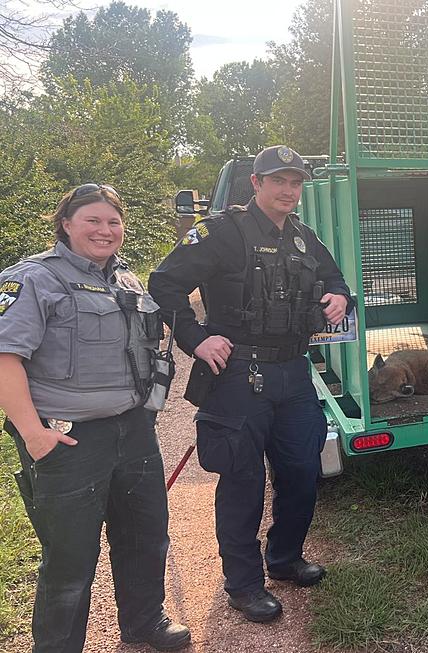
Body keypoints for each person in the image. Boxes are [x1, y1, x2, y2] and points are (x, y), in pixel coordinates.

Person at [148, 145, 352, 622]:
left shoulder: (302, 236)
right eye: (277, 180)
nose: (288, 190)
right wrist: (197, 340)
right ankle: (243, 584)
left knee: (303, 472)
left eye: (295, 182)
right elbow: (164, 284)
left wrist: (339, 297)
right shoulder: (222, 232)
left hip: (294, 372)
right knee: (243, 481)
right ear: (256, 184)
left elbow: (335, 279)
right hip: (238, 375)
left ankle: (284, 559)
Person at [0, 184, 190, 652]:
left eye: (113, 222)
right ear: (66, 224)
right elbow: (6, 357)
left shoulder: (126, 280)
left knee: (146, 536)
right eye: (93, 220)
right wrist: (32, 433)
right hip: (68, 441)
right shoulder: (34, 279)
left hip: (133, 430)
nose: (105, 230)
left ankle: (144, 622)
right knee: (69, 558)